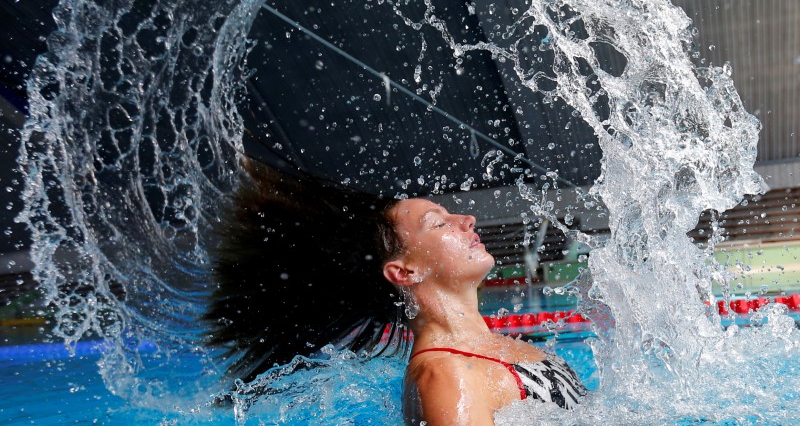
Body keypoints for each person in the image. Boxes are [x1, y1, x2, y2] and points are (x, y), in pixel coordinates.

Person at [205, 158, 586, 423]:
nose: (466, 220)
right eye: (438, 223)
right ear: (405, 271)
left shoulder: (483, 351)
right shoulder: (446, 375)